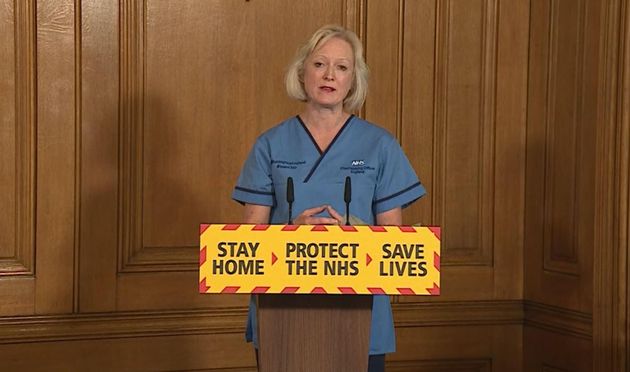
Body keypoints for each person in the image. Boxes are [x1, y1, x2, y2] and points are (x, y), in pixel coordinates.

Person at [232, 24, 426, 372]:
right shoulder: (269, 145)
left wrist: (355, 232)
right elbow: (248, 243)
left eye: (342, 67)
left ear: (353, 80)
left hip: (361, 315)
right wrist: (291, 232)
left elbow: (396, 246)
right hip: (283, 315)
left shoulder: (380, 145)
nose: (329, 75)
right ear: (302, 71)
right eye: (320, 64)